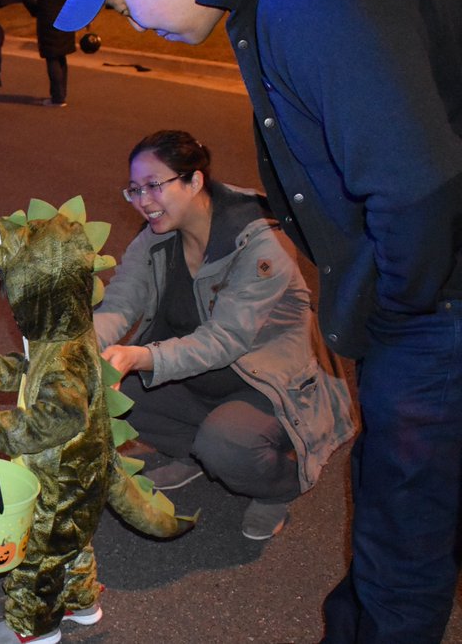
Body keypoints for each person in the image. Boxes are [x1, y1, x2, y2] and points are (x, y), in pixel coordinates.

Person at [55, 0, 462, 640]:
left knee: (404, 540)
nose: (122, 18)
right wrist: (85, 340)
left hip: (431, 310)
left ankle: (278, 478)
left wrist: (397, 312)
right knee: (398, 524)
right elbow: (123, 294)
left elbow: (414, 191)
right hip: (428, 304)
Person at [96, 129, 355, 540]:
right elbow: (119, 306)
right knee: (107, 397)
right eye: (134, 190)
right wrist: (76, 348)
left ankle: (278, 487)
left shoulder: (259, 240)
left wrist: (142, 357)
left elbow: (225, 340)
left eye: (153, 186)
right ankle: (197, 453)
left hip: (269, 385)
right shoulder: (156, 239)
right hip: (198, 380)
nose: (143, 201)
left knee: (228, 444)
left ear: (194, 180)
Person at [21, 0, 74, 108]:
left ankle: (57, 97)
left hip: (46, 16)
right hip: (65, 15)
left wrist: (36, 11)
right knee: (61, 55)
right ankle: (62, 93)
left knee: (52, 56)